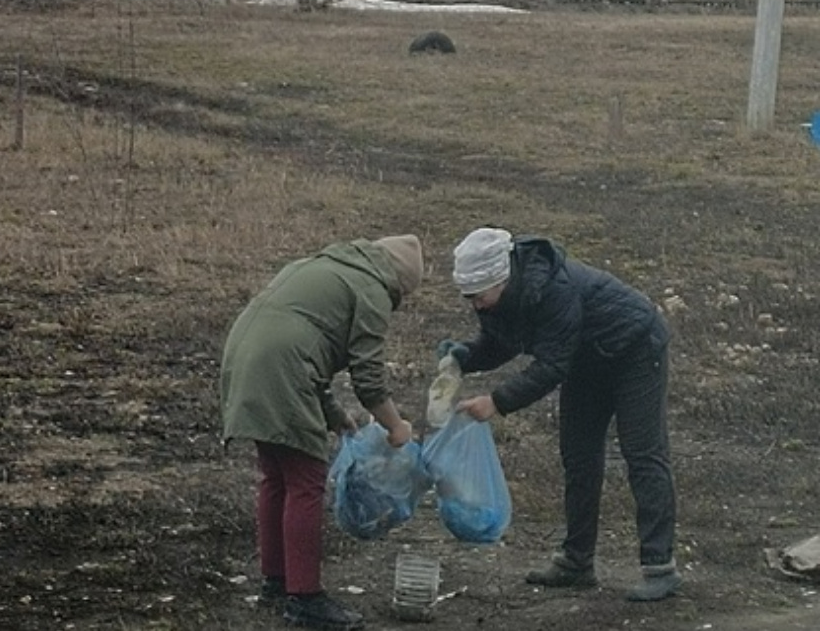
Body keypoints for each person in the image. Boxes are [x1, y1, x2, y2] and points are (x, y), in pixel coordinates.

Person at [439, 227, 680, 602]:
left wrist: (497, 402)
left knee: (643, 454)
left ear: (499, 280)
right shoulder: (499, 298)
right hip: (586, 362)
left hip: (634, 348)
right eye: (468, 297)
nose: (475, 305)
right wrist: (464, 357)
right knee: (579, 456)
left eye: (479, 295)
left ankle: (659, 566)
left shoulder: (552, 289)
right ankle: (576, 561)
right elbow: (501, 341)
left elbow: (551, 365)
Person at [220, 235, 424, 631]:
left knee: (277, 475)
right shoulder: (372, 288)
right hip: (281, 365)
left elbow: (308, 345)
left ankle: (276, 582)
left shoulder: (326, 267)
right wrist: (396, 426)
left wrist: (335, 417)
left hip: (246, 354)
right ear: (398, 282)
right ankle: (306, 598)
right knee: (306, 481)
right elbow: (368, 380)